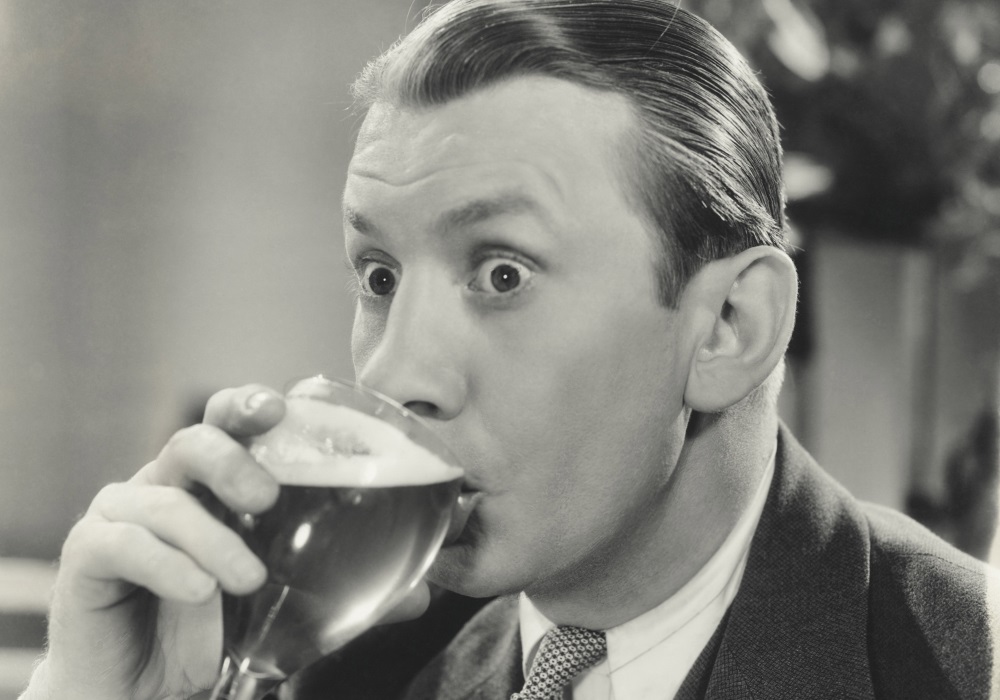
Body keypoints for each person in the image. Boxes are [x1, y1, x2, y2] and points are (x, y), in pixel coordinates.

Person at [21, 1, 998, 698]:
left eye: (502, 273)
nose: (396, 375)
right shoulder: (318, 666)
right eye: (379, 276)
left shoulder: (961, 660)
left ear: (730, 327)